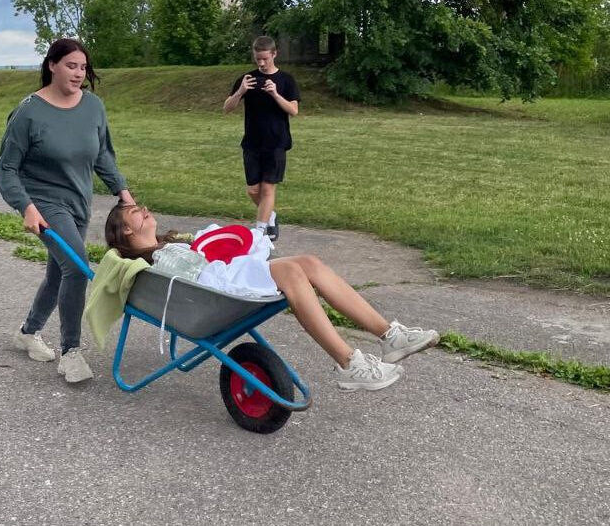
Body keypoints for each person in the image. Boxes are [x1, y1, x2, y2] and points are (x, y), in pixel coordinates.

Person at [104, 203, 440, 391]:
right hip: (215, 288)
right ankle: (348, 363)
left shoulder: (172, 241)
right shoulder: (146, 260)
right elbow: (192, 272)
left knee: (309, 262)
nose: (144, 208)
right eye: (135, 211)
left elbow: (209, 247)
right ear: (126, 230)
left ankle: (390, 336)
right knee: (292, 272)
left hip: (222, 283)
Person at [0, 38, 134, 383]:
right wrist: (26, 207)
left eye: (83, 67)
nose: (78, 73)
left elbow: (102, 154)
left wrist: (122, 191)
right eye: (71, 66)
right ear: (52, 65)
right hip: (43, 203)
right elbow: (7, 169)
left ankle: (28, 332)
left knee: (59, 272)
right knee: (76, 267)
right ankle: (71, 352)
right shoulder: (29, 112)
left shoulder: (93, 106)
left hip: (78, 202)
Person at [223, 36, 300, 242]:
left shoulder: (286, 80)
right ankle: (270, 216)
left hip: (276, 142)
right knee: (252, 190)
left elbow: (294, 110)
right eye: (258, 59)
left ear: (274, 54)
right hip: (252, 142)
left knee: (267, 189)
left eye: (265, 58)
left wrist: (275, 94)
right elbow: (227, 108)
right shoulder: (247, 79)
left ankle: (259, 233)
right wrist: (240, 91)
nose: (261, 63)